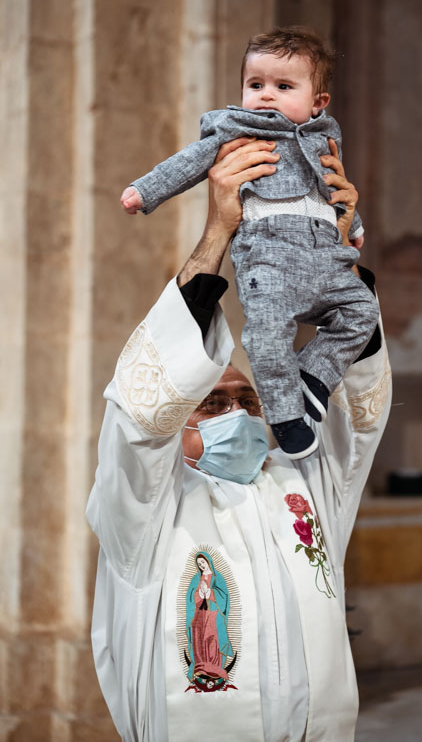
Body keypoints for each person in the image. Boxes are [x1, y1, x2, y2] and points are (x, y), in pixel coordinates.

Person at [87, 136, 391, 741]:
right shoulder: (145, 509)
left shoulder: (302, 485)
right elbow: (139, 420)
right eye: (212, 403)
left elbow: (358, 417)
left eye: (248, 401)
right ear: (179, 419)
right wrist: (219, 230)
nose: (237, 415)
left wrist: (334, 252)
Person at [119, 27, 380, 459]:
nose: (266, 96)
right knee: (268, 332)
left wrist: (352, 227)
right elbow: (188, 162)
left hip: (327, 259)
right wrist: (145, 191)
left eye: (283, 86)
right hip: (269, 259)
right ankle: (286, 415)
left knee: (362, 312)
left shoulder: (321, 139)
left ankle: (312, 379)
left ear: (318, 102)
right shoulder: (236, 130)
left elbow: (332, 184)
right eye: (255, 85)